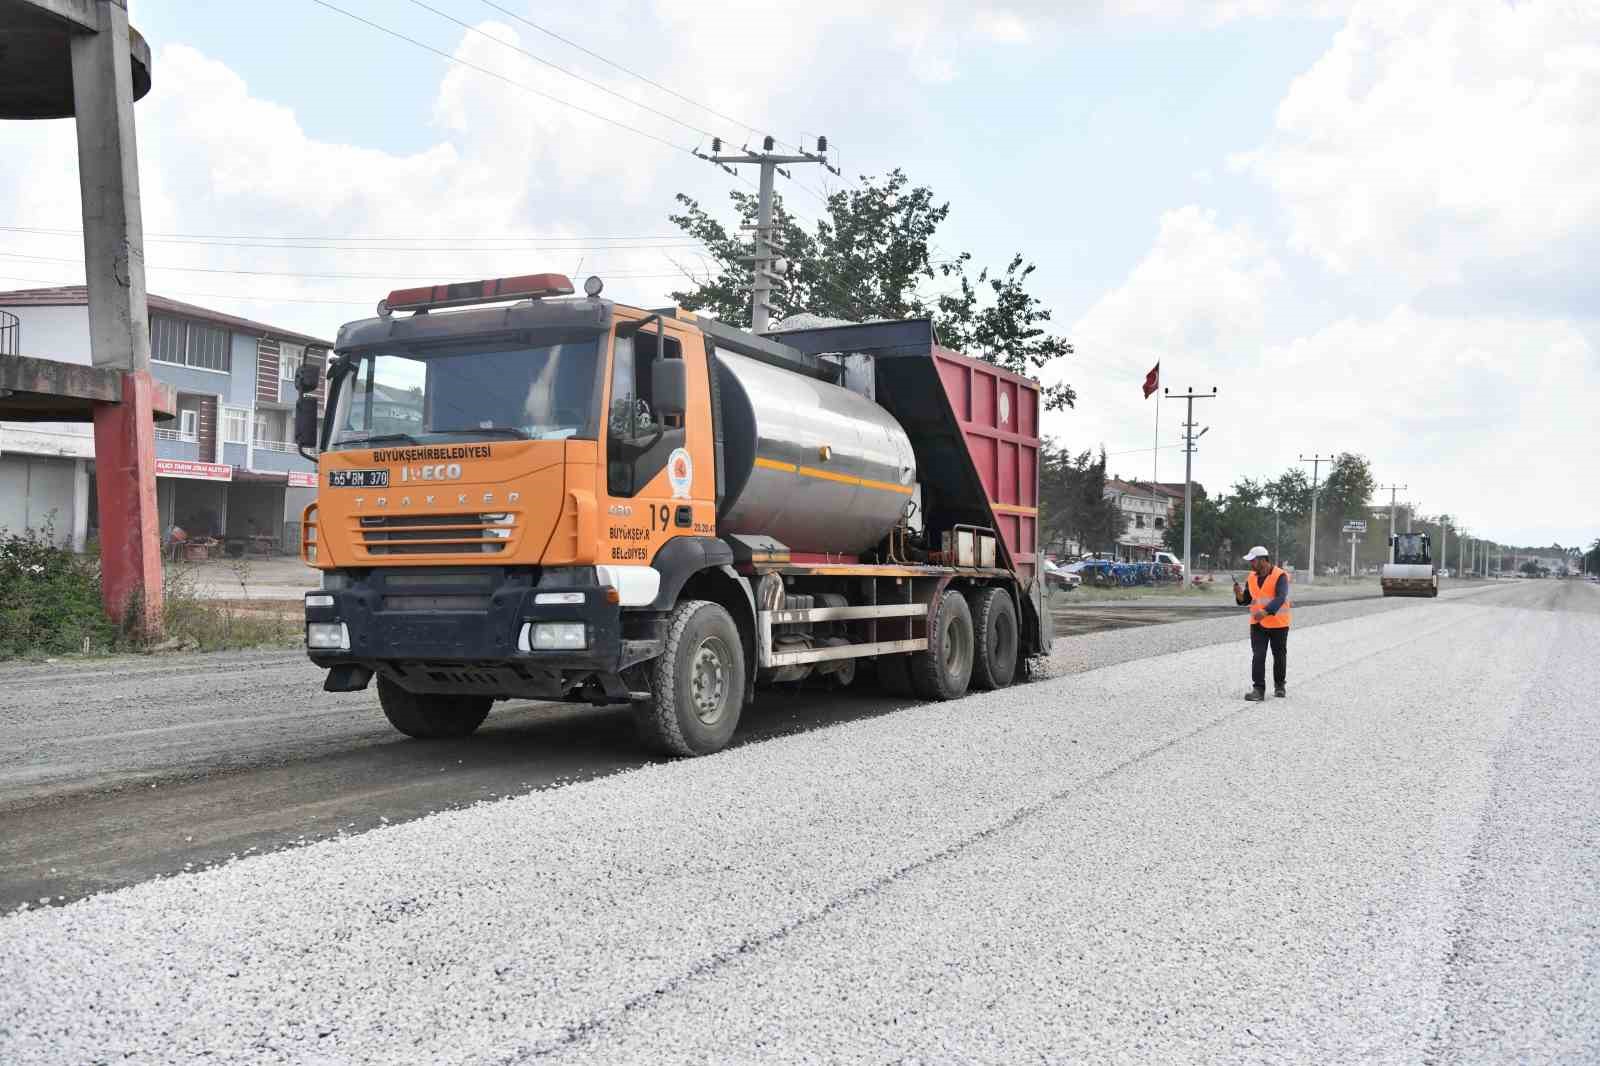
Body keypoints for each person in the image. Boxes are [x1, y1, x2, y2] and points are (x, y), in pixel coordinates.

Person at [1233, 545, 1291, 701]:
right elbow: (1246, 599)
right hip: (1257, 624)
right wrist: (1239, 595)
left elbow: (1281, 597)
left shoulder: (1280, 576)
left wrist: (1265, 612)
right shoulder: (1251, 577)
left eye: (1253, 561)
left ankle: (1280, 686)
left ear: (1263, 561)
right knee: (1258, 655)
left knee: (1279, 655)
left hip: (1278, 622)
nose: (1251, 564)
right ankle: (1258, 689)